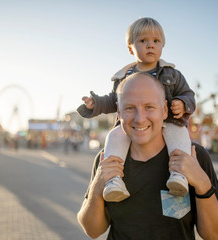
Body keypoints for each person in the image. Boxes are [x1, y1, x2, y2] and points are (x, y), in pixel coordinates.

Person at [77, 73, 218, 239]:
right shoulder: (108, 159)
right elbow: (92, 230)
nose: (140, 119)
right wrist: (97, 188)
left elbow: (217, 235)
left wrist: (201, 182)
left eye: (149, 107)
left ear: (164, 110)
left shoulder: (193, 156)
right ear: (119, 113)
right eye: (129, 108)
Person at [77, 17, 195, 200]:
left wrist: (182, 102)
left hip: (168, 121)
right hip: (133, 126)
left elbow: (189, 95)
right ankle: (114, 181)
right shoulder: (123, 77)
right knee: (114, 136)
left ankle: (179, 175)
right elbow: (113, 101)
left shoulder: (173, 74)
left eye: (156, 41)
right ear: (130, 48)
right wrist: (96, 103)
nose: (150, 45)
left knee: (180, 136)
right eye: (143, 41)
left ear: (162, 45)